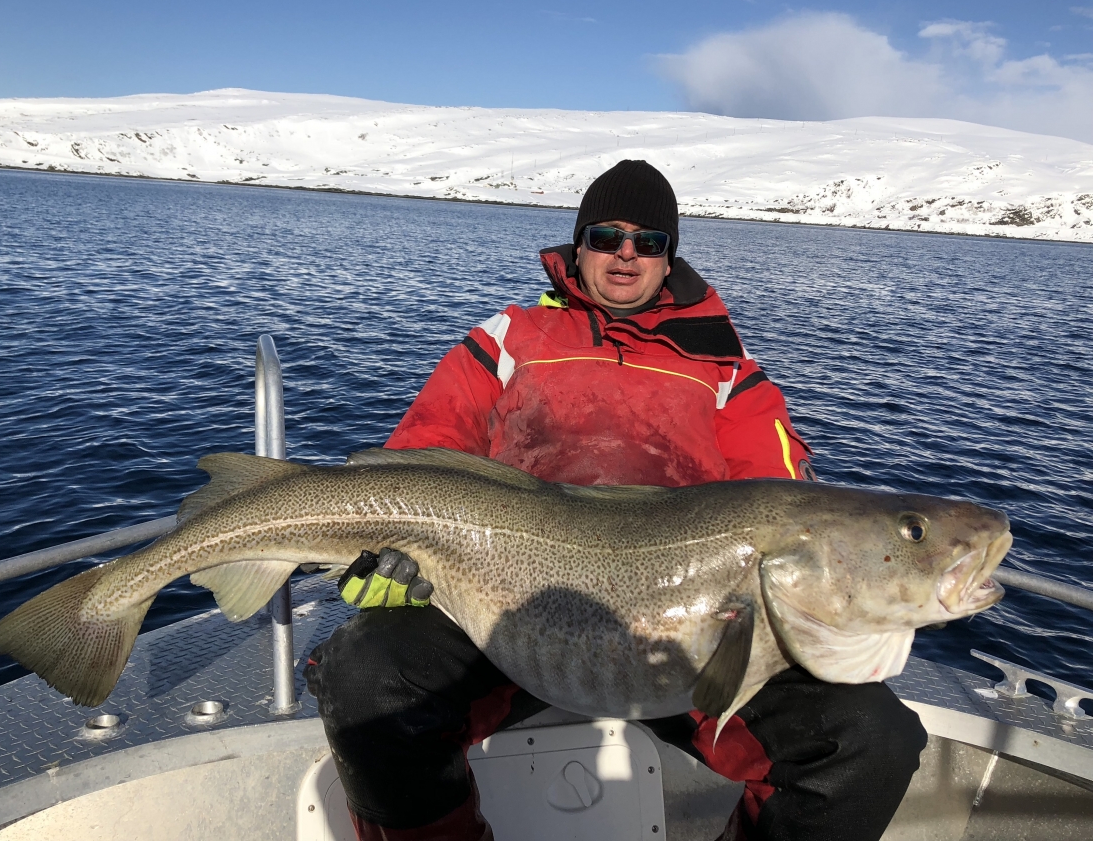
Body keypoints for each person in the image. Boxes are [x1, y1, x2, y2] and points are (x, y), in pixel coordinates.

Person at [305, 160, 927, 841]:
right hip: (504, 609)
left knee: (871, 740)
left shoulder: (727, 371)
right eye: (606, 236)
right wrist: (386, 553)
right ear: (579, 247)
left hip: (695, 634)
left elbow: (786, 506)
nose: (626, 253)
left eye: (649, 241)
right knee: (366, 682)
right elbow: (421, 457)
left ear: (669, 258)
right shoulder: (507, 340)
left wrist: (866, 590)